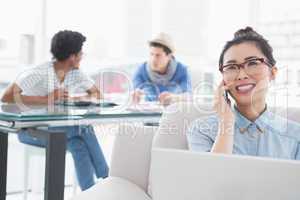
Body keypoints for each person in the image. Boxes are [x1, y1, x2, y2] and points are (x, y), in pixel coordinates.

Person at [1, 30, 109, 190]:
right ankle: (107, 177)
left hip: (59, 130)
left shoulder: (74, 74)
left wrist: (73, 98)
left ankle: (90, 192)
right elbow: (7, 96)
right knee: (83, 128)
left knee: (78, 145)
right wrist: (47, 99)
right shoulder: (40, 72)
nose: (82, 56)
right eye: (81, 53)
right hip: (30, 132)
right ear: (72, 57)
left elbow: (98, 95)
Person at [187, 27, 300, 160]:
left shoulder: (295, 135)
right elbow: (211, 178)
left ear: (273, 73)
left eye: (252, 63)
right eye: (231, 67)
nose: (241, 75)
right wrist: (226, 122)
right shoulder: (202, 130)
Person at [132, 32, 192, 105]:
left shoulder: (182, 71)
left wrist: (174, 98)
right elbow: (134, 93)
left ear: (169, 56)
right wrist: (136, 96)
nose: (153, 59)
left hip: (173, 113)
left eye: (158, 55)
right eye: (151, 54)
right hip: (147, 114)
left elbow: (189, 96)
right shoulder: (140, 71)